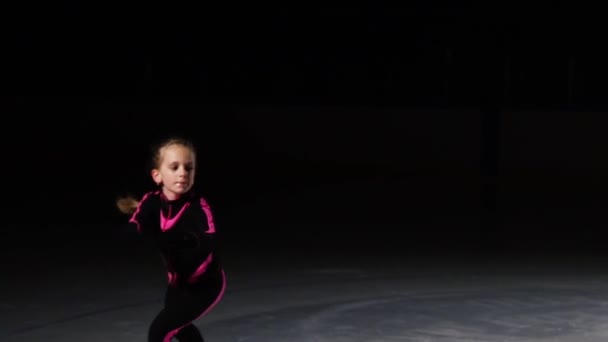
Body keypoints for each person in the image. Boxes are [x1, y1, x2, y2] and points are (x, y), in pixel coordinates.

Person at [116, 137, 226, 342]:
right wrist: (129, 235)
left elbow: (206, 242)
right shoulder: (151, 201)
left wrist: (179, 240)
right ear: (157, 175)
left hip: (205, 285)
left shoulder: (198, 207)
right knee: (180, 328)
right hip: (178, 284)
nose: (183, 172)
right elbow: (135, 225)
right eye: (174, 167)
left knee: (160, 331)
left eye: (189, 167)